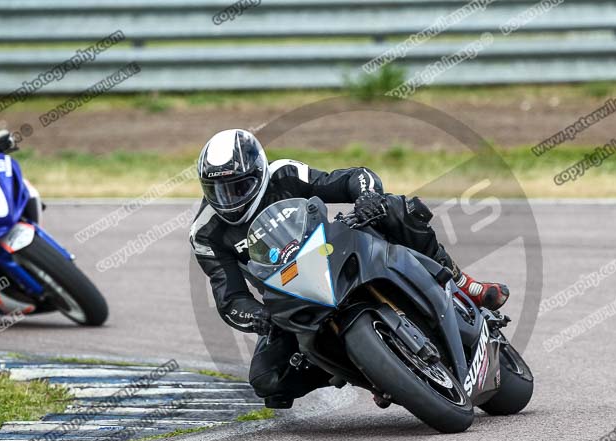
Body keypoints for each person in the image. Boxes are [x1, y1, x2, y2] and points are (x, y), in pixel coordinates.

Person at [190, 129, 509, 408]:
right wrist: (261, 318)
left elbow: (351, 178)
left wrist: (367, 197)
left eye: (239, 187)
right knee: (268, 379)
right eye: (218, 190)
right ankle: (371, 371)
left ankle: (464, 284)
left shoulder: (283, 173)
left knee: (398, 210)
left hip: (331, 252)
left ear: (258, 173)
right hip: (289, 297)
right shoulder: (205, 233)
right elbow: (230, 298)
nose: (229, 199)